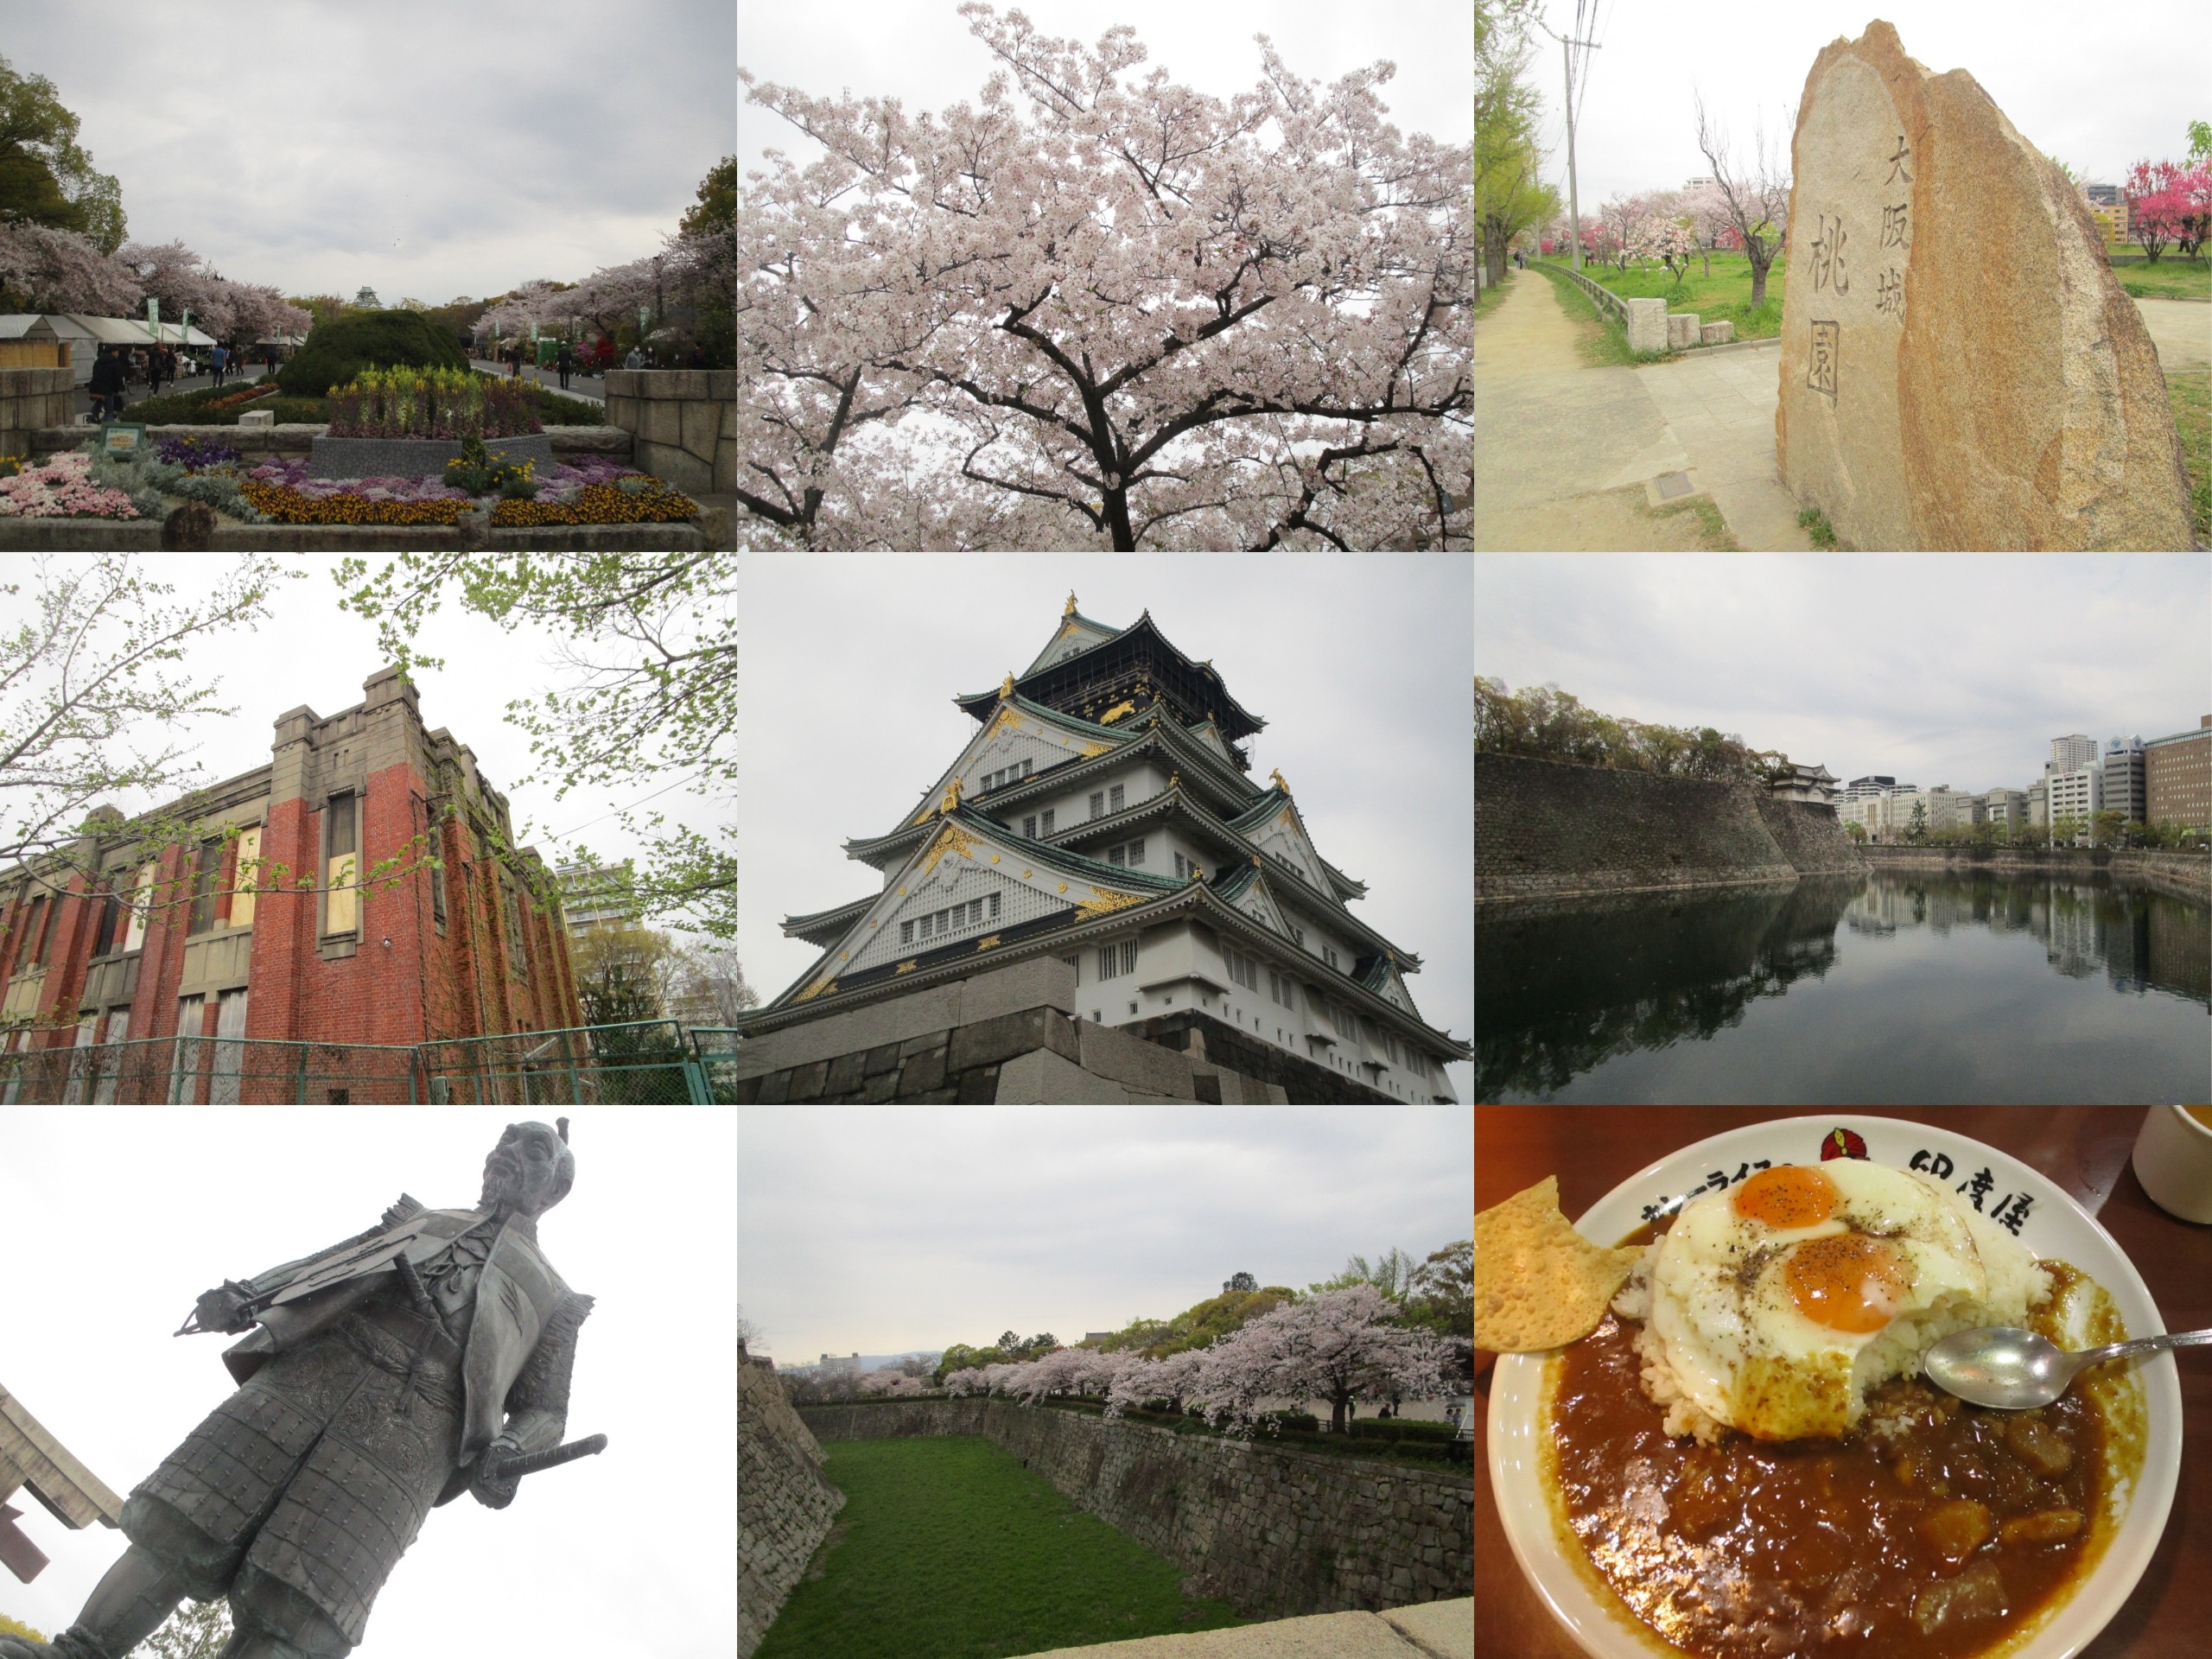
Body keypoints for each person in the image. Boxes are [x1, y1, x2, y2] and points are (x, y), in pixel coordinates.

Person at [0, 1122, 595, 1659]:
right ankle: (80, 1652)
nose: (508, 1151)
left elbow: (544, 1409)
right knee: (183, 1523)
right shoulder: (425, 1218)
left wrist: (511, 1452)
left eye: (532, 1149)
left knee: (301, 1607)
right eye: (507, 1138)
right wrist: (251, 1294)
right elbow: (332, 1263)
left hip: (407, 1442)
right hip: (308, 1377)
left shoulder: (554, 1296)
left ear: (555, 1188)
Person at [88, 346, 122, 421]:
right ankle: (107, 428)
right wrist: (117, 390)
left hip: (94, 388)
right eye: (117, 352)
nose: (118, 354)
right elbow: (117, 378)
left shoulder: (98, 361)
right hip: (107, 389)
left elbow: (94, 373)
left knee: (99, 403)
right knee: (109, 411)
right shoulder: (115, 363)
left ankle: (89, 417)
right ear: (113, 352)